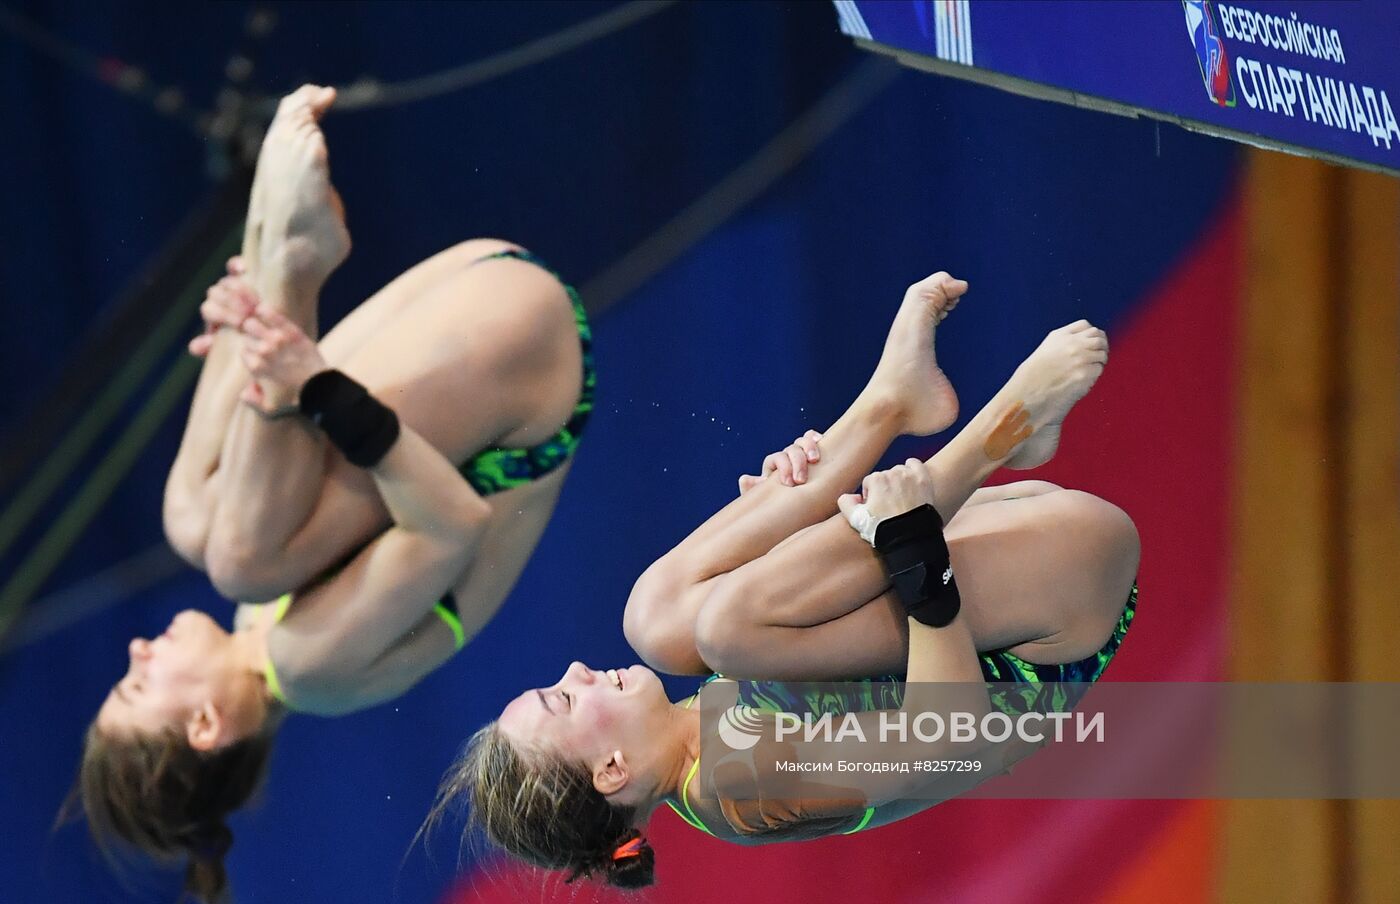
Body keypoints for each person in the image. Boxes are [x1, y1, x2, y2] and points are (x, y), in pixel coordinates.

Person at [429, 272, 1138, 888]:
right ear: (611, 769)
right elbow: (949, 736)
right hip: (1056, 616)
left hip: (1011, 551)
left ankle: (888, 402)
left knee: (656, 619)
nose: (578, 670)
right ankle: (1007, 425)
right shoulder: (741, 787)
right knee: (729, 628)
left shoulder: (702, 727)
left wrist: (781, 513)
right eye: (563, 698)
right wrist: (912, 546)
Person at [70, 86, 594, 901]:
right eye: (137, 685)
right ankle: (286, 270)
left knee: (195, 527)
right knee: (238, 556)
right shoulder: (311, 667)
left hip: (485, 302)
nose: (137, 652)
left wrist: (253, 347)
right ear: (206, 728)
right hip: (534, 368)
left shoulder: (259, 617)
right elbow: (450, 522)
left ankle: (270, 268)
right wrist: (314, 386)